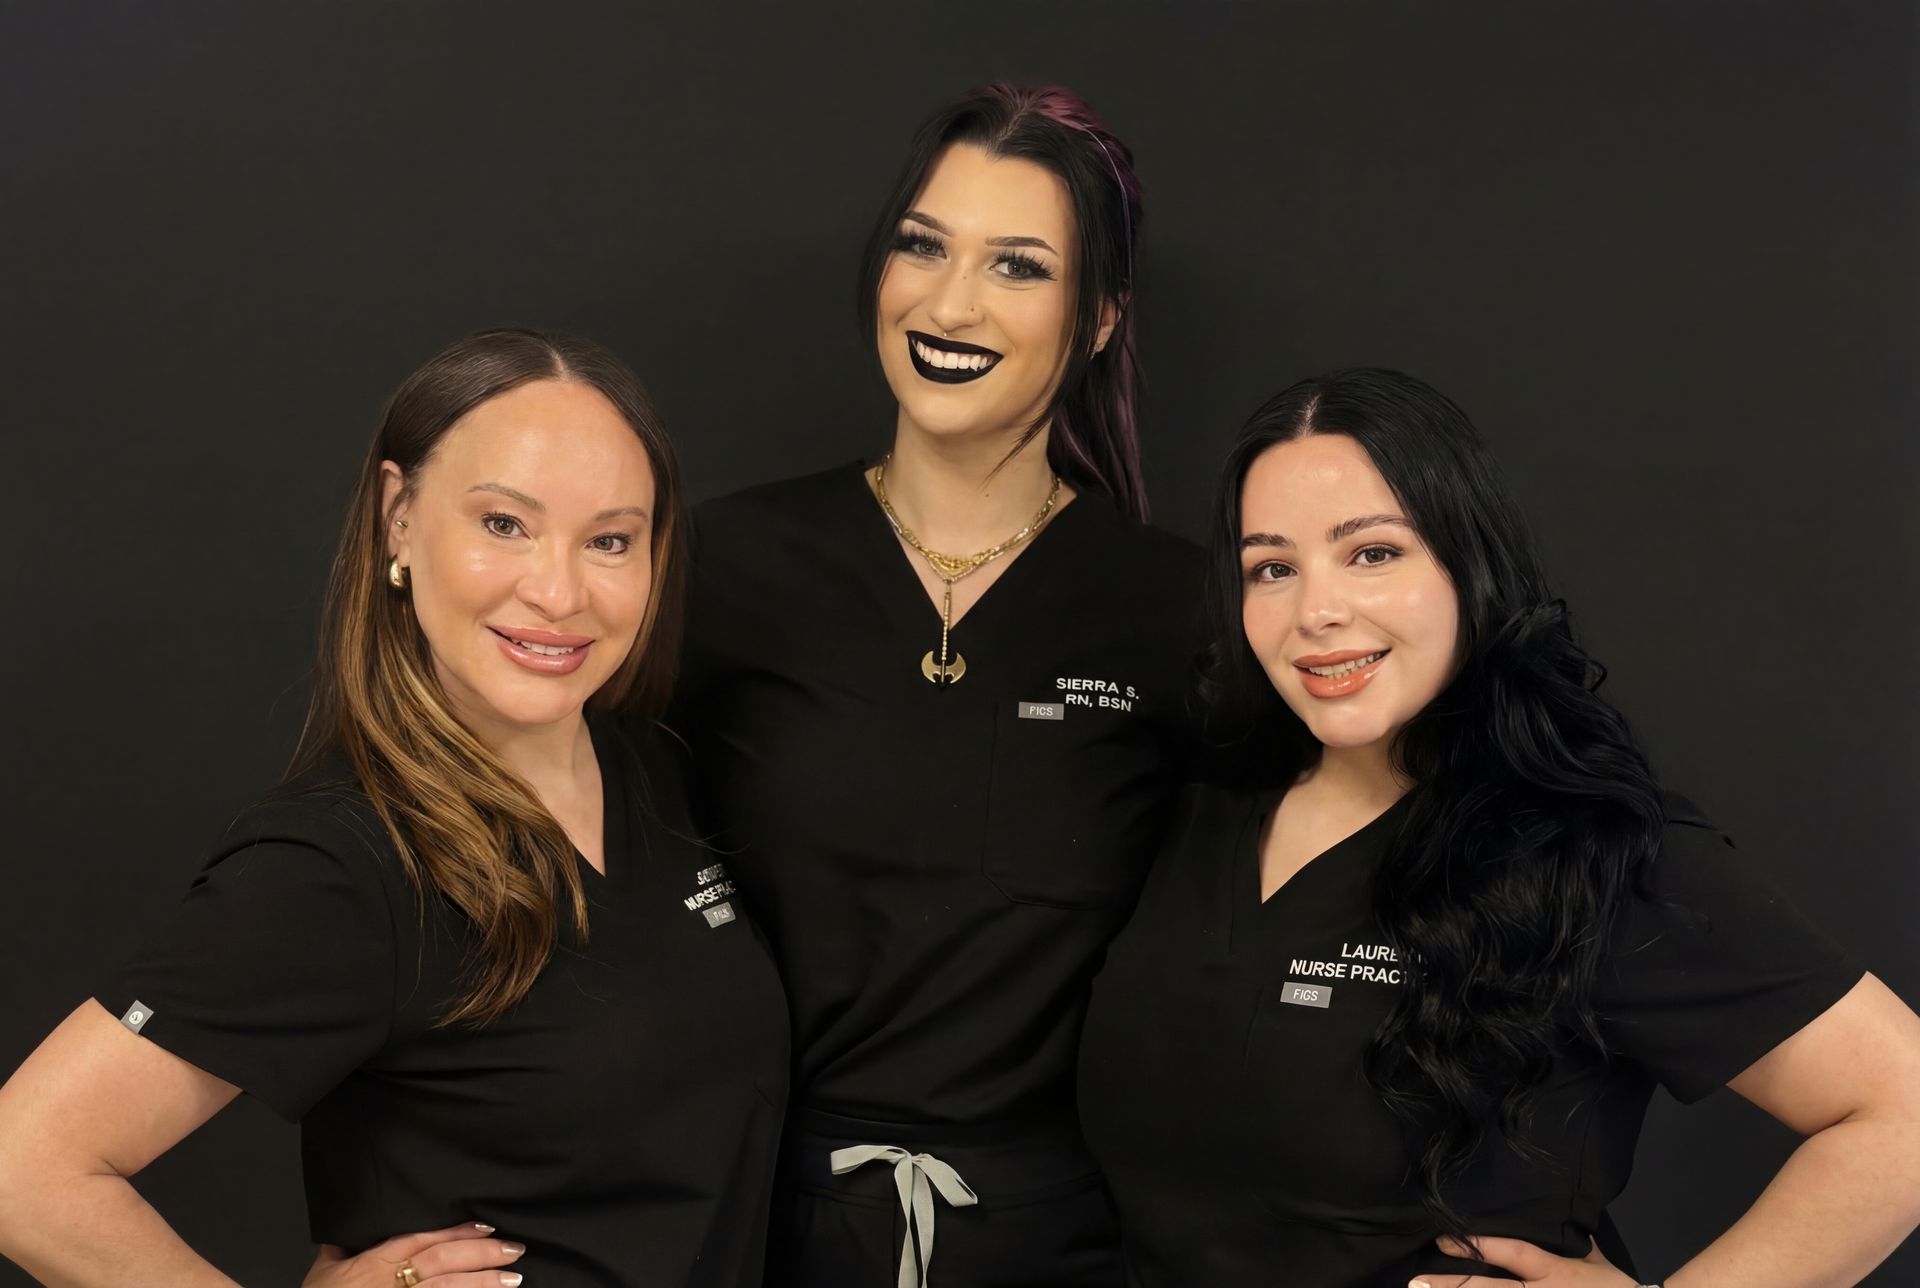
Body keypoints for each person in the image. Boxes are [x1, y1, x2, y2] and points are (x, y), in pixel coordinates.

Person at [1077, 368, 1920, 1287]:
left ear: (1466, 563)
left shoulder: (1589, 848)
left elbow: (1904, 1108)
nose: (1315, 612)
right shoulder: (1200, 807)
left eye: (1371, 553)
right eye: (1272, 567)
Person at [0, 330, 789, 1288]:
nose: (558, 589)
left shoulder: (650, 771)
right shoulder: (343, 861)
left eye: (610, 541)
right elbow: (22, 1171)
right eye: (504, 524)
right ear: (399, 519)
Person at [674, 83, 1201, 1286]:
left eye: (1017, 266)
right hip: (749, 1235)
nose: (949, 303)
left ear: (1104, 316)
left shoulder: (1181, 611)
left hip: (1065, 1248)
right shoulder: (718, 568)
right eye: (923, 245)